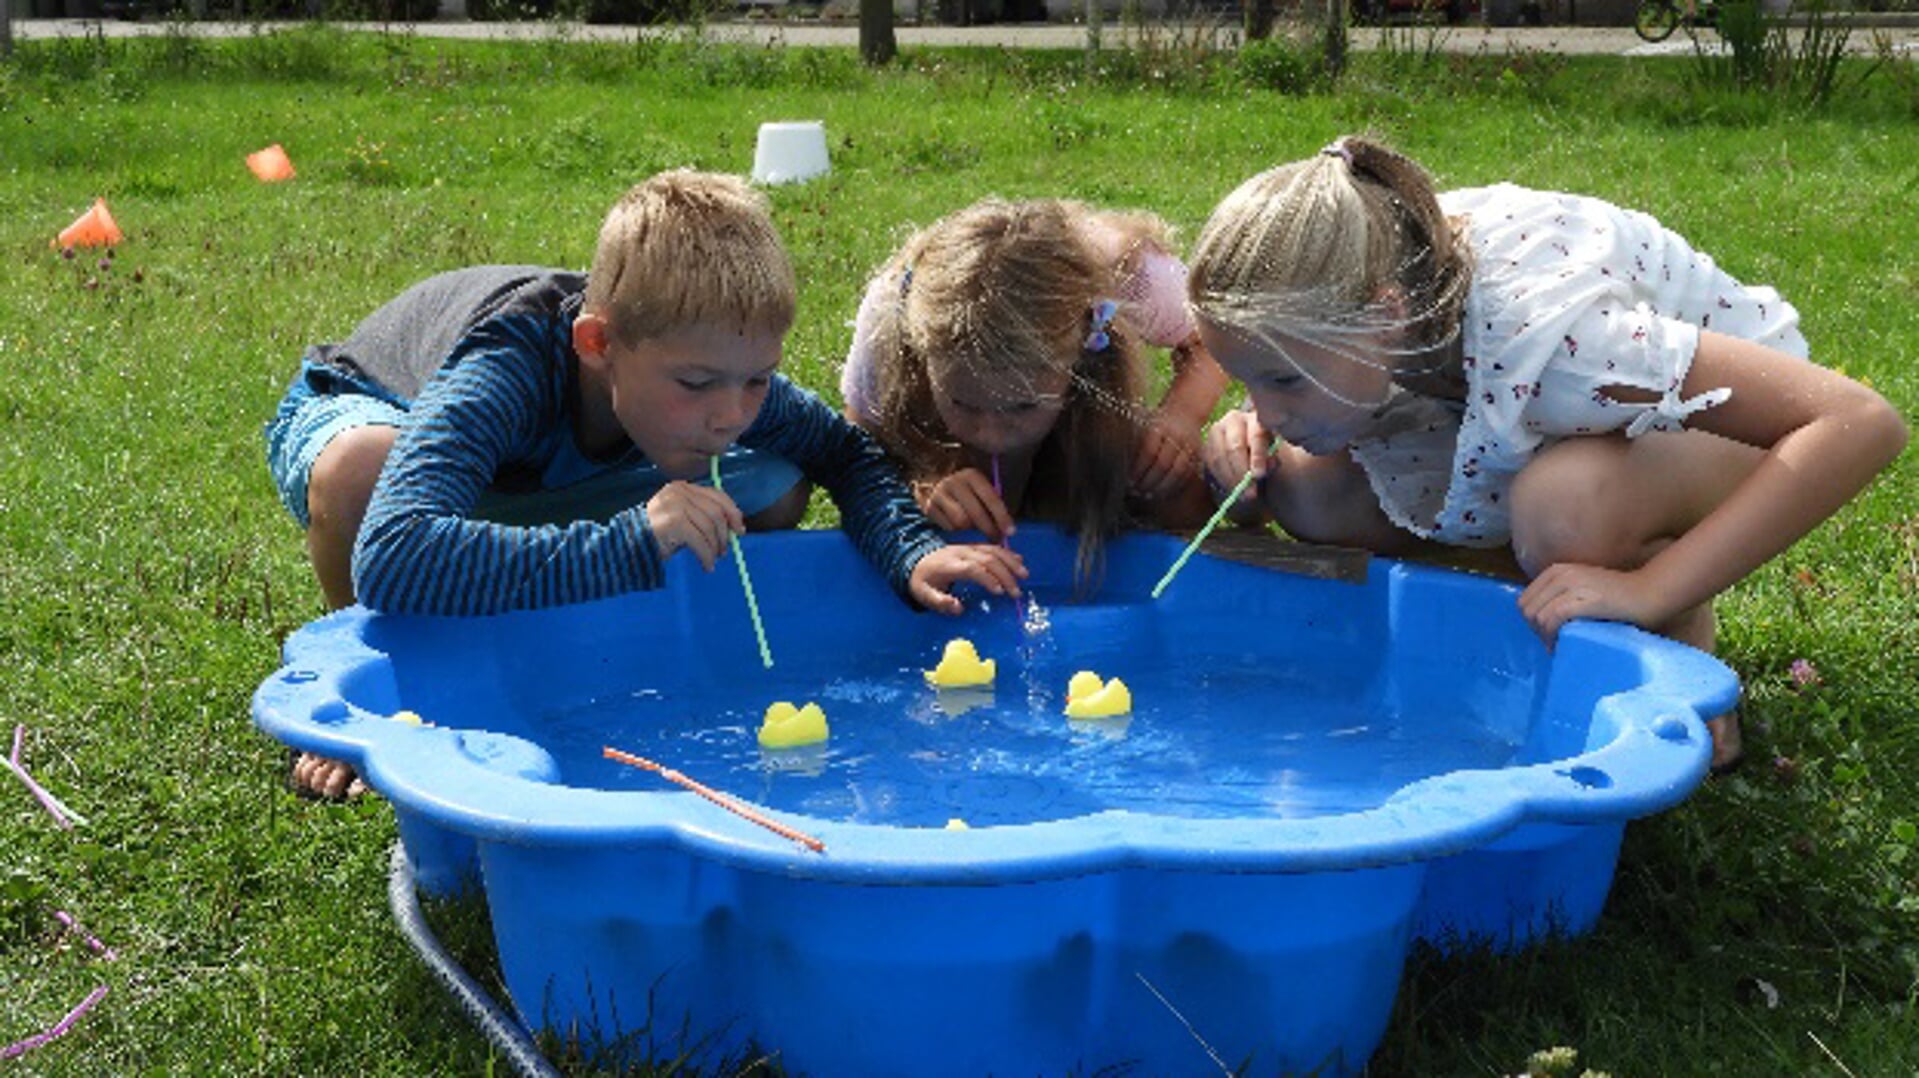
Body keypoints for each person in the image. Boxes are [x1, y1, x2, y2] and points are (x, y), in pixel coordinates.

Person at [265, 170, 1026, 798]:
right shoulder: (507, 368)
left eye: (757, 379)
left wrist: (911, 552)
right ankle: (375, 705)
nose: (729, 413)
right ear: (597, 344)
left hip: (552, 476)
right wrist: (632, 543)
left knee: (776, 475)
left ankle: (677, 638)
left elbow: (847, 456)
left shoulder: (708, 372)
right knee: (361, 468)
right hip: (389, 431)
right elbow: (394, 555)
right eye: (696, 384)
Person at [1191, 136, 1906, 772]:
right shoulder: (1362, 288)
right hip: (1518, 405)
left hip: (1717, 423)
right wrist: (1248, 432)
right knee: (1308, 491)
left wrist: (1652, 589)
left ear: (1384, 315)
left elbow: (1857, 421)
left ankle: (1674, 641)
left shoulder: (1569, 345)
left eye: (1280, 381)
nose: (1266, 410)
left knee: (1563, 512)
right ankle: (1534, 617)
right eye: (1248, 383)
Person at [841, 198, 1231, 587]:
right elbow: (857, 453)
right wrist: (922, 484)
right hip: (942, 444)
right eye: (963, 403)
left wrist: (1181, 416)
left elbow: (1221, 333)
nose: (989, 434)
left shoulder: (1130, 279)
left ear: (1082, 349)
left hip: (1081, 424)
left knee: (1165, 479)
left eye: (1022, 406)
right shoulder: (893, 313)